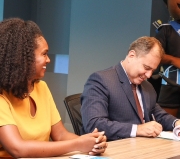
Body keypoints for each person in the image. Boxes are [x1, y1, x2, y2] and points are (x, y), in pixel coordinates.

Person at [0, 18, 107, 158]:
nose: (48, 60)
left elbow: (61, 135)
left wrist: (92, 141)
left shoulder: (42, 88)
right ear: (23, 58)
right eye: (44, 54)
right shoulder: (2, 96)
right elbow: (18, 149)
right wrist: (78, 144)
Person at [81, 36, 180, 141]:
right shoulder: (100, 80)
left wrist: (176, 123)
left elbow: (158, 114)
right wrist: (137, 129)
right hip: (114, 150)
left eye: (153, 70)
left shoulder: (147, 86)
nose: (149, 75)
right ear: (131, 55)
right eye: (147, 68)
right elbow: (94, 125)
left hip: (143, 148)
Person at [151, 0, 180, 117]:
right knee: (166, 124)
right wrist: (174, 60)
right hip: (171, 84)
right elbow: (154, 54)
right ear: (166, 2)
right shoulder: (166, 30)